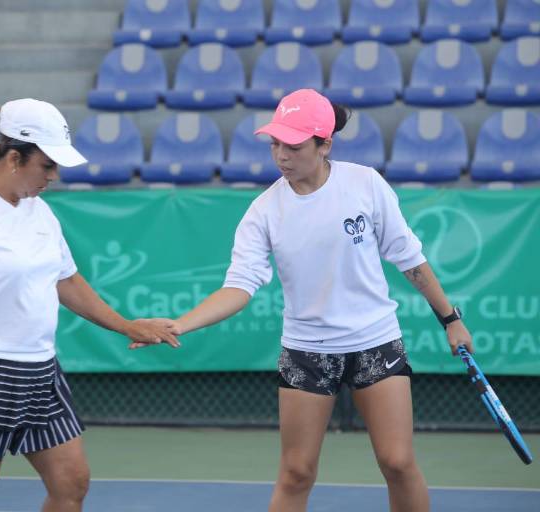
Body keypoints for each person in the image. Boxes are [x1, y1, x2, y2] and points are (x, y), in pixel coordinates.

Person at [148, 89, 474, 512]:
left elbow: (410, 260)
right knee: (297, 473)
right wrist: (182, 323)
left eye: (294, 146)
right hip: (306, 353)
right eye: (275, 144)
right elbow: (239, 287)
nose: (282, 156)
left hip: (375, 342)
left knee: (397, 462)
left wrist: (451, 320)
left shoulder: (364, 185)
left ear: (325, 145)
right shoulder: (263, 211)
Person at [0, 98, 178, 512]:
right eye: (47, 165)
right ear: (13, 157)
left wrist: (127, 326)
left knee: (71, 484)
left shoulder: (40, 212)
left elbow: (67, 280)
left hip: (39, 372)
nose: (54, 176)